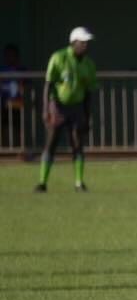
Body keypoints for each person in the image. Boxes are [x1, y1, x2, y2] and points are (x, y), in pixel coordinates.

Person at [36, 27, 97, 192]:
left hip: (77, 107)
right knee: (52, 143)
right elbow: (48, 84)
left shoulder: (89, 64)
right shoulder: (59, 57)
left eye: (87, 43)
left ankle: (79, 182)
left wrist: (87, 114)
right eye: (82, 42)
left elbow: (89, 91)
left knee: (78, 144)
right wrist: (46, 109)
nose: (85, 45)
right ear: (73, 42)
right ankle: (42, 182)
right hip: (58, 106)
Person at [1, 44, 25, 149]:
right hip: (4, 104)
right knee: (4, 127)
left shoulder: (21, 69)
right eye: (8, 55)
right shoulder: (2, 70)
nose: (10, 58)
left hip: (17, 103)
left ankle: (20, 150)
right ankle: (5, 150)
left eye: (12, 55)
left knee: (19, 128)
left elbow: (27, 84)